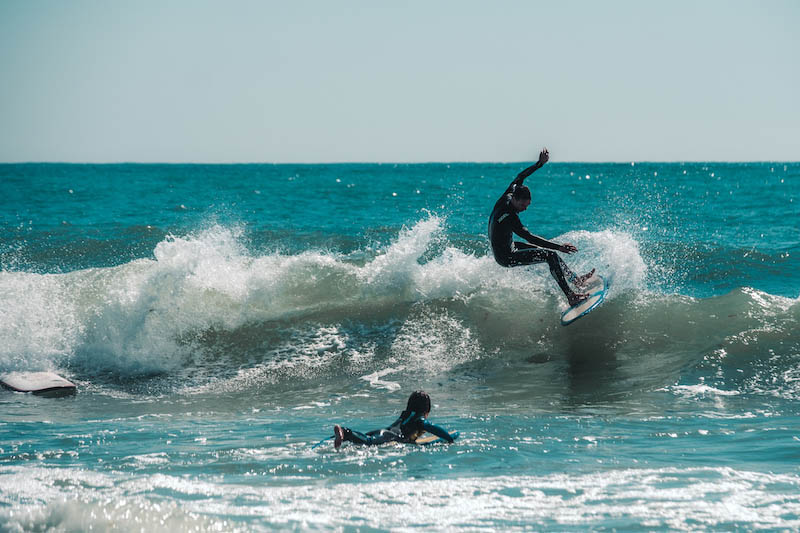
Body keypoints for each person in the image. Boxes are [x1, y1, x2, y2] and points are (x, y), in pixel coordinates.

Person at [488, 148, 594, 307]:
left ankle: (576, 280)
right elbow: (529, 236)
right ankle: (571, 296)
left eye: (528, 205)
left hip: (509, 246)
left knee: (548, 253)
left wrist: (539, 164)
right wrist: (560, 247)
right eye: (523, 205)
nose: (525, 208)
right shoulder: (509, 216)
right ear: (516, 200)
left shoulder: (509, 194)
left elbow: (520, 177)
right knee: (550, 255)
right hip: (505, 257)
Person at [333, 390, 454, 449]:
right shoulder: (419, 419)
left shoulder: (406, 415)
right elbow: (432, 427)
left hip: (382, 431)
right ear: (427, 409)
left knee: (366, 439)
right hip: (390, 436)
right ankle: (345, 432)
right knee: (368, 442)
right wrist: (449, 438)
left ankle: (344, 436)